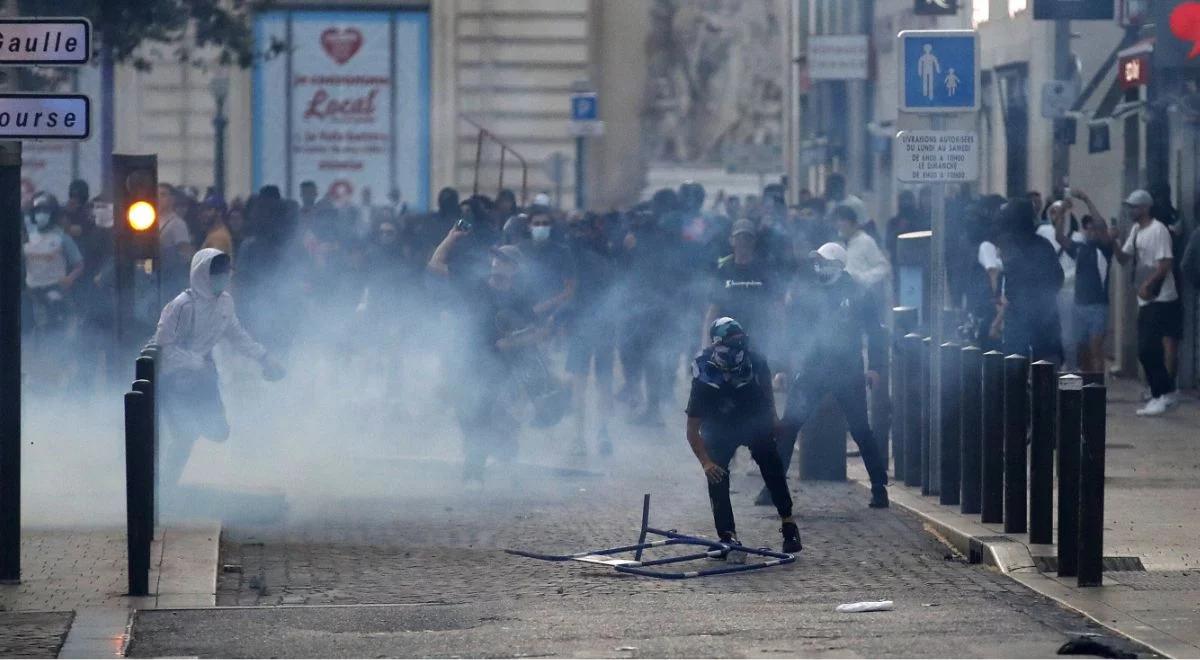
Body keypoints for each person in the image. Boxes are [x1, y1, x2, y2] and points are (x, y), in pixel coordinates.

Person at [758, 242, 890, 509]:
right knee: (789, 426)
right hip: (812, 370)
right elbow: (792, 332)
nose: (819, 268)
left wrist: (876, 366)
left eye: (825, 263)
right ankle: (772, 488)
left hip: (847, 371)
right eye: (817, 263)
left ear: (839, 266)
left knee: (861, 429)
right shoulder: (807, 292)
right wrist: (783, 367)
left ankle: (879, 488)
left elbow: (875, 332)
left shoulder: (858, 292)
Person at [153, 249, 284, 491]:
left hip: (203, 379)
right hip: (174, 380)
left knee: (219, 432)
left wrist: (264, 358)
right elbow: (163, 347)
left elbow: (236, 334)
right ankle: (163, 490)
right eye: (218, 273)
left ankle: (182, 433)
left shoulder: (225, 302)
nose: (224, 278)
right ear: (203, 274)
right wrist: (194, 363)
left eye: (226, 272)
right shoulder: (181, 306)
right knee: (185, 436)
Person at [428, 231, 545, 483]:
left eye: (503, 261)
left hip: (497, 367)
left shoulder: (520, 299)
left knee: (481, 413)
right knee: (465, 415)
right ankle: (488, 453)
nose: (496, 264)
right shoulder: (475, 285)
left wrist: (511, 342)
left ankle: (474, 473)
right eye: (494, 259)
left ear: (514, 268)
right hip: (465, 360)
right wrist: (450, 237)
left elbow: (539, 334)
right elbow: (435, 264)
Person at [685, 317, 802, 554]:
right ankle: (727, 535)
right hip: (719, 427)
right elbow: (692, 429)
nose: (738, 348)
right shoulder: (704, 375)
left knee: (773, 468)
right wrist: (706, 463)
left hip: (754, 421)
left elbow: (767, 389)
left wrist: (773, 418)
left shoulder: (756, 361)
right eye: (732, 342)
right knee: (717, 476)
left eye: (741, 341)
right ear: (718, 344)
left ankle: (788, 524)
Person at [1114, 190, 1181, 416]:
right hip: (1145, 299)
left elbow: (1165, 263)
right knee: (1146, 349)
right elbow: (1124, 258)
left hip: (1160, 297)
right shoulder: (1136, 231)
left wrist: (1148, 285)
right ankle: (1163, 392)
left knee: (1147, 348)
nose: (1130, 211)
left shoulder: (1158, 230)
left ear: (1145, 208)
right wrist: (1114, 240)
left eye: (1134, 207)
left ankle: (1161, 394)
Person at [563, 212, 617, 457]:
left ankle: (602, 433)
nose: (578, 233)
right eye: (575, 228)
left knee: (602, 383)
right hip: (580, 326)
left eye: (582, 227)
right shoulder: (570, 254)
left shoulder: (605, 254)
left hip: (602, 325)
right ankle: (577, 437)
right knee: (580, 384)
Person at [701, 218, 777, 352]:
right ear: (732, 240)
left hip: (759, 344)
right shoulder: (723, 271)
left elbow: (775, 311)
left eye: (747, 238)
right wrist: (706, 348)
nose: (743, 242)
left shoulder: (764, 271)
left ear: (753, 241)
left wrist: (778, 348)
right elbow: (712, 312)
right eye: (739, 238)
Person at [1037, 200, 1085, 369]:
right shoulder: (1042, 232)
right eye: (1053, 212)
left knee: (1068, 333)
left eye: (1060, 212)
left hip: (1068, 291)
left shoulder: (1078, 237)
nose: (1056, 216)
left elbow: (1079, 266)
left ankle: (1071, 366)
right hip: (1047, 291)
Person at [834, 205, 891, 293]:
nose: (839, 225)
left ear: (853, 223)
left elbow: (883, 267)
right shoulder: (838, 245)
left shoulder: (865, 241)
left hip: (864, 296)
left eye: (842, 221)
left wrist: (861, 278)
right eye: (837, 221)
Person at [158, 183, 195, 296]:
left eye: (163, 194)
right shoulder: (151, 221)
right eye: (157, 194)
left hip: (170, 279)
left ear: (172, 199)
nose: (159, 198)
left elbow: (185, 254)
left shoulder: (177, 224)